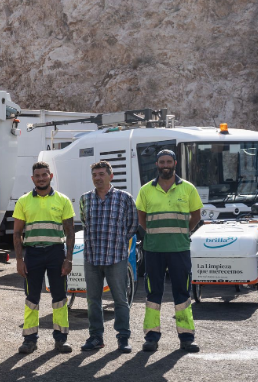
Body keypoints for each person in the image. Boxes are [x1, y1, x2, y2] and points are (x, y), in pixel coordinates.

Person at [136, 149, 203, 353]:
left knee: (181, 293)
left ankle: (186, 337)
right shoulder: (146, 190)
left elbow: (196, 215)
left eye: (168, 161)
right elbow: (141, 218)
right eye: (161, 161)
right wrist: (156, 234)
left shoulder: (188, 189)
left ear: (175, 163)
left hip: (179, 249)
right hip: (154, 250)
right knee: (153, 293)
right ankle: (151, 337)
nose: (165, 165)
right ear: (157, 164)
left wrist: (182, 233)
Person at [13, 161, 75, 354]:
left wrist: (69, 259)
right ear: (33, 179)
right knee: (32, 297)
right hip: (33, 254)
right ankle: (30, 340)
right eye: (37, 176)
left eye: (44, 175)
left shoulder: (63, 200)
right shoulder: (23, 201)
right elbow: (16, 234)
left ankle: (60, 339)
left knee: (59, 298)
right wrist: (19, 260)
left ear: (50, 176)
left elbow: (70, 232)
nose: (41, 178)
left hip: (56, 253)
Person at [79, 161, 138, 353]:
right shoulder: (85, 198)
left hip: (115, 257)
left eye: (102, 174)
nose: (98, 177)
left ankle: (123, 338)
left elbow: (132, 225)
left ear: (110, 176)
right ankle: (96, 337)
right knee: (92, 300)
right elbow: (84, 223)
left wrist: (119, 242)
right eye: (95, 174)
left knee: (120, 299)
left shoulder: (124, 198)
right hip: (92, 257)